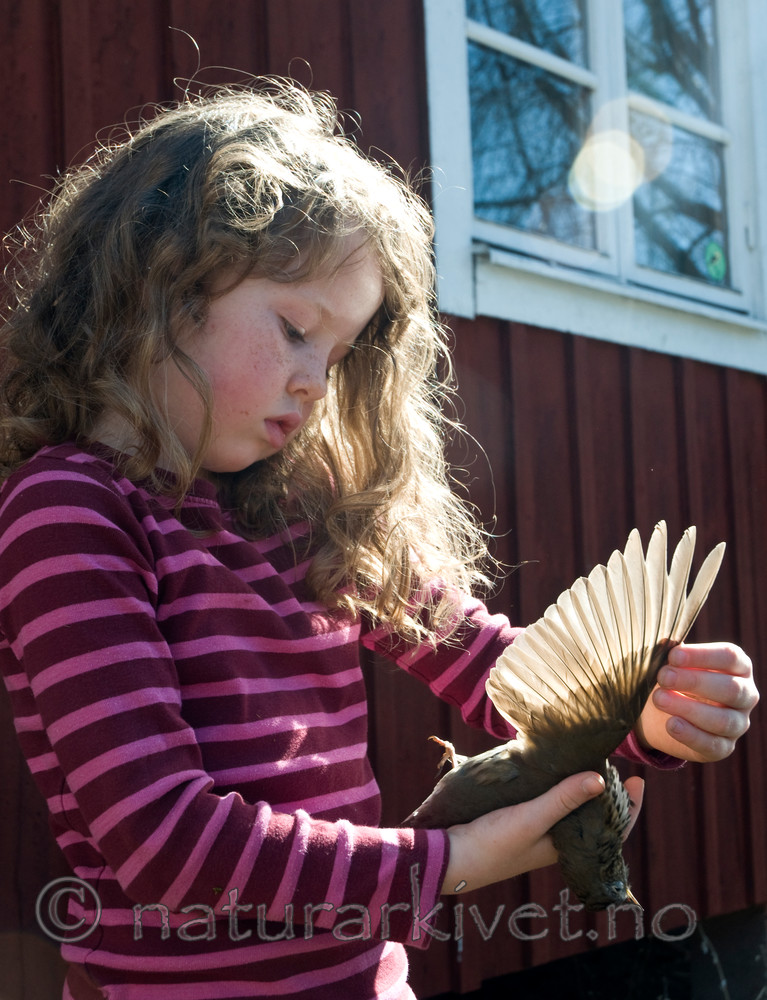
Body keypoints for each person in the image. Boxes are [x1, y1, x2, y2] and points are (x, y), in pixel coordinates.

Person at [0, 80, 757, 1000]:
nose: (317, 382)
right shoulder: (74, 512)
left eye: (342, 352)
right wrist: (450, 862)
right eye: (294, 329)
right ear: (157, 284)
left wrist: (645, 713)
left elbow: (496, 673)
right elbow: (165, 843)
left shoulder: (305, 512)